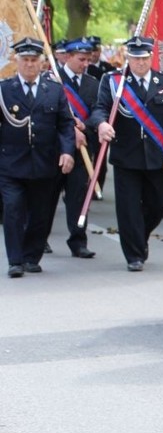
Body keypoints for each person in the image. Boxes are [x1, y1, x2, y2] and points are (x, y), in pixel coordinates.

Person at [90, 36, 163, 272]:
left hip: (157, 157)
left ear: (150, 58)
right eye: (135, 59)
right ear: (128, 58)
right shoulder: (114, 82)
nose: (140, 63)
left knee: (158, 205)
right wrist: (101, 125)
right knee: (129, 209)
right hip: (126, 157)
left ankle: (139, 235)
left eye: (144, 58)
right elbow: (99, 109)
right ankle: (134, 254)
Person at [0, 38, 76, 277]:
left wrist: (67, 151)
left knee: (40, 212)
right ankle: (15, 260)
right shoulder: (4, 90)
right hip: (11, 163)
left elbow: (65, 124)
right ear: (17, 62)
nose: (30, 65)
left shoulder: (53, 90)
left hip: (44, 163)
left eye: (34, 60)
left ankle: (32, 256)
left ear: (42, 63)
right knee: (12, 209)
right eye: (25, 60)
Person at [51, 37, 99, 258]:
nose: (85, 63)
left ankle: (78, 241)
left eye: (88, 59)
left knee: (78, 197)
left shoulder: (92, 84)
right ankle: (38, 238)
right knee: (46, 197)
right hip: (56, 149)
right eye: (81, 59)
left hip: (82, 150)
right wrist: (71, 129)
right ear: (68, 57)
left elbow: (98, 113)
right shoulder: (52, 79)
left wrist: (85, 126)